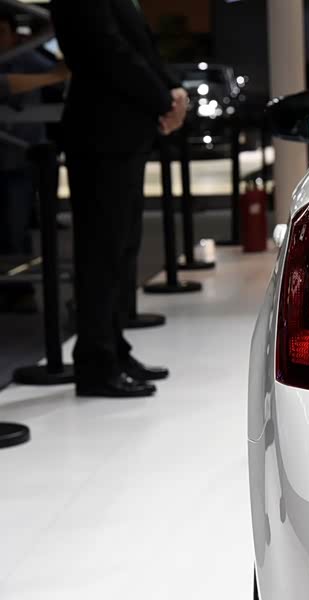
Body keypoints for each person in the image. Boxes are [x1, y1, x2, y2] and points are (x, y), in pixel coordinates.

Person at [51, 0, 189, 398]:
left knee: (121, 249)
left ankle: (113, 349)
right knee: (102, 252)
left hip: (121, 132)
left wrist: (172, 91)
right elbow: (108, 51)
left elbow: (140, 47)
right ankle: (96, 362)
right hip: (101, 133)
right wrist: (163, 100)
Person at [0, 9, 69, 313]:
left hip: (24, 158)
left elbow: (59, 75)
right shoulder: (25, 61)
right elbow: (7, 85)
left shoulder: (26, 57)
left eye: (2, 32)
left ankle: (19, 291)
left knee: (17, 230)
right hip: (15, 156)